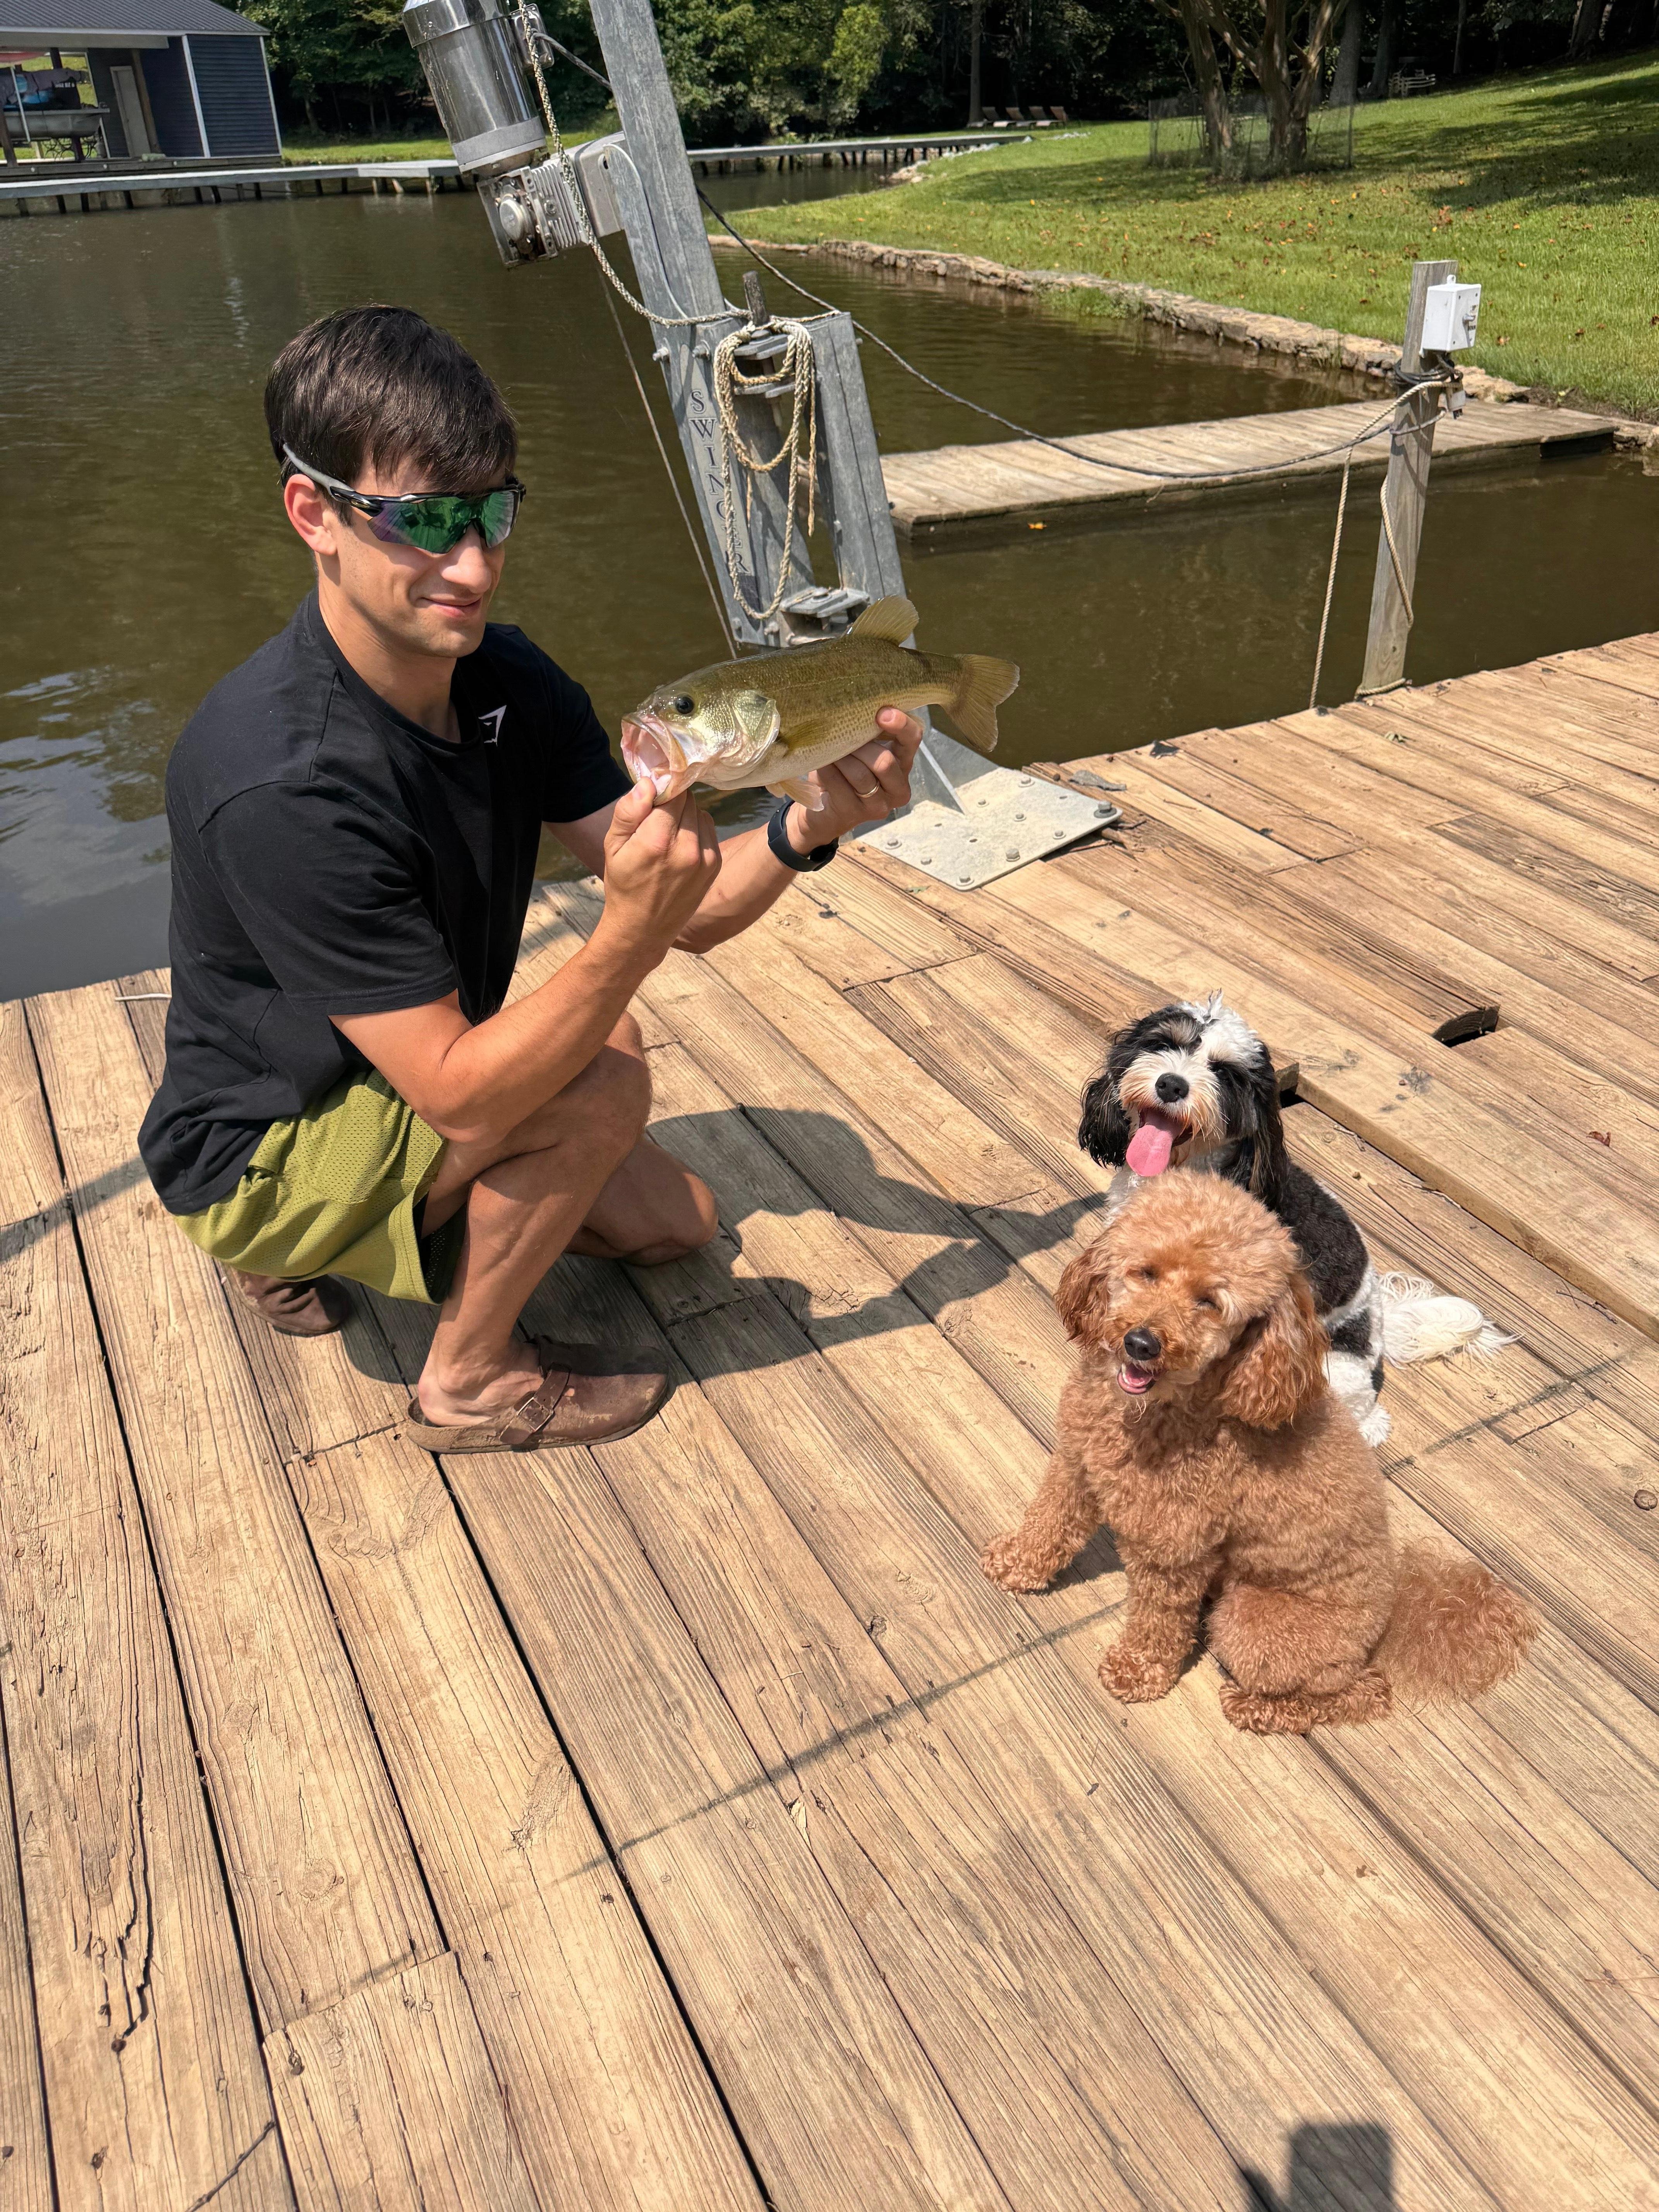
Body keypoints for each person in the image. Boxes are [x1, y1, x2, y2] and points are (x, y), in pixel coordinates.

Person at [138, 304, 922, 1452]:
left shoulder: (498, 673)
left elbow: (691, 911)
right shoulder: (284, 783)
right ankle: (465, 1381)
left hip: (395, 1067)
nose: (472, 564)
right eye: (427, 521)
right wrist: (619, 941)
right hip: (258, 1141)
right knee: (599, 1080)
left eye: (494, 512)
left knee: (680, 1226)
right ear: (314, 512)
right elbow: (463, 1090)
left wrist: (808, 828)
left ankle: (409, 1227)